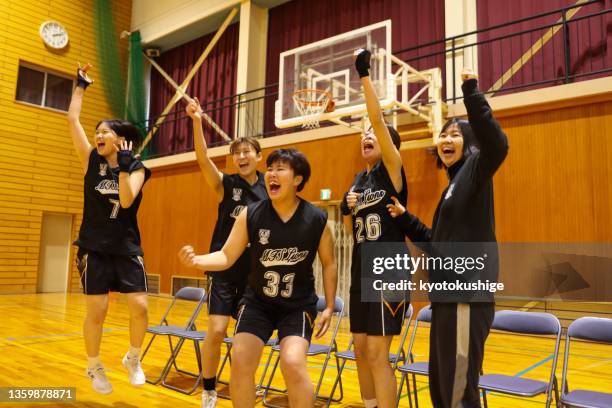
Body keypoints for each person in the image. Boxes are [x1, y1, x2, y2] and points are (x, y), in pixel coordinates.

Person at [387, 68, 509, 407]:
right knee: (441, 385)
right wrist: (406, 219)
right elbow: (436, 245)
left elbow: (497, 144)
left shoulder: (476, 171)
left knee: (458, 389)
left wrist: (471, 91)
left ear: (470, 143)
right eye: (442, 135)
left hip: (466, 296)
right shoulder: (452, 188)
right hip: (445, 298)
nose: (445, 140)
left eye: (454, 134)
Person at [179, 148, 337, 408]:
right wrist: (198, 261)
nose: (272, 175)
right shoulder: (250, 213)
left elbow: (329, 264)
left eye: (280, 169)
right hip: (257, 303)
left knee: (293, 362)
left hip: (296, 306)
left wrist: (329, 306)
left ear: (298, 179)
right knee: (240, 359)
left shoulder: (317, 219)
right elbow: (227, 255)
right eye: (271, 169)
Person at [67, 63, 151, 394]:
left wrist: (128, 167)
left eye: (105, 132)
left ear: (121, 140)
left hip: (127, 247)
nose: (98, 135)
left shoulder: (139, 168)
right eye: (97, 131)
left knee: (140, 308)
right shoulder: (91, 161)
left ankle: (133, 357)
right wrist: (80, 86)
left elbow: (128, 202)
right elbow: (72, 120)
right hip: (94, 247)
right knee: (98, 311)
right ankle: (94, 366)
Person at [185, 98, 268, 407]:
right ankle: (209, 388)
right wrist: (196, 121)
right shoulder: (226, 184)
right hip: (223, 271)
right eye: (236, 153)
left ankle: (246, 384)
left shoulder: (269, 190)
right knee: (217, 331)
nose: (242, 156)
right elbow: (202, 157)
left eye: (247, 152)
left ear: (259, 157)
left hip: (253, 276)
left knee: (247, 338)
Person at [340, 49, 409, 408]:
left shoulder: (392, 171)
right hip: (360, 265)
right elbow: (345, 213)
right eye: (363, 134)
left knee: (378, 352)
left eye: (375, 134)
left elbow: (379, 122)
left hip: (388, 266)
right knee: (360, 347)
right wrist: (348, 204)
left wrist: (363, 75)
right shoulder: (359, 179)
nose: (368, 135)